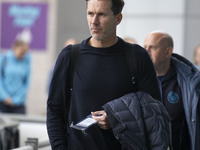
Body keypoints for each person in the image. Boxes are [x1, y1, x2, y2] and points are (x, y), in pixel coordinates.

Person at [47, 0, 161, 150]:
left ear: (118, 18)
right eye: (90, 14)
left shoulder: (137, 56)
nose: (94, 21)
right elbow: (55, 110)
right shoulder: (70, 56)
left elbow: (153, 111)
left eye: (101, 14)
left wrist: (118, 119)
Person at [144, 30, 200, 150]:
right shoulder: (139, 80)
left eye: (152, 47)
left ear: (168, 52)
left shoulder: (189, 83)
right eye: (145, 47)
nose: (146, 52)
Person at [0, 40, 31, 114]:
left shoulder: (26, 61)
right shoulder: (4, 59)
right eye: (21, 52)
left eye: (24, 53)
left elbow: (26, 83)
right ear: (15, 48)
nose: (23, 55)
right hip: (3, 102)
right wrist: (5, 97)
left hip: (19, 104)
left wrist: (15, 100)